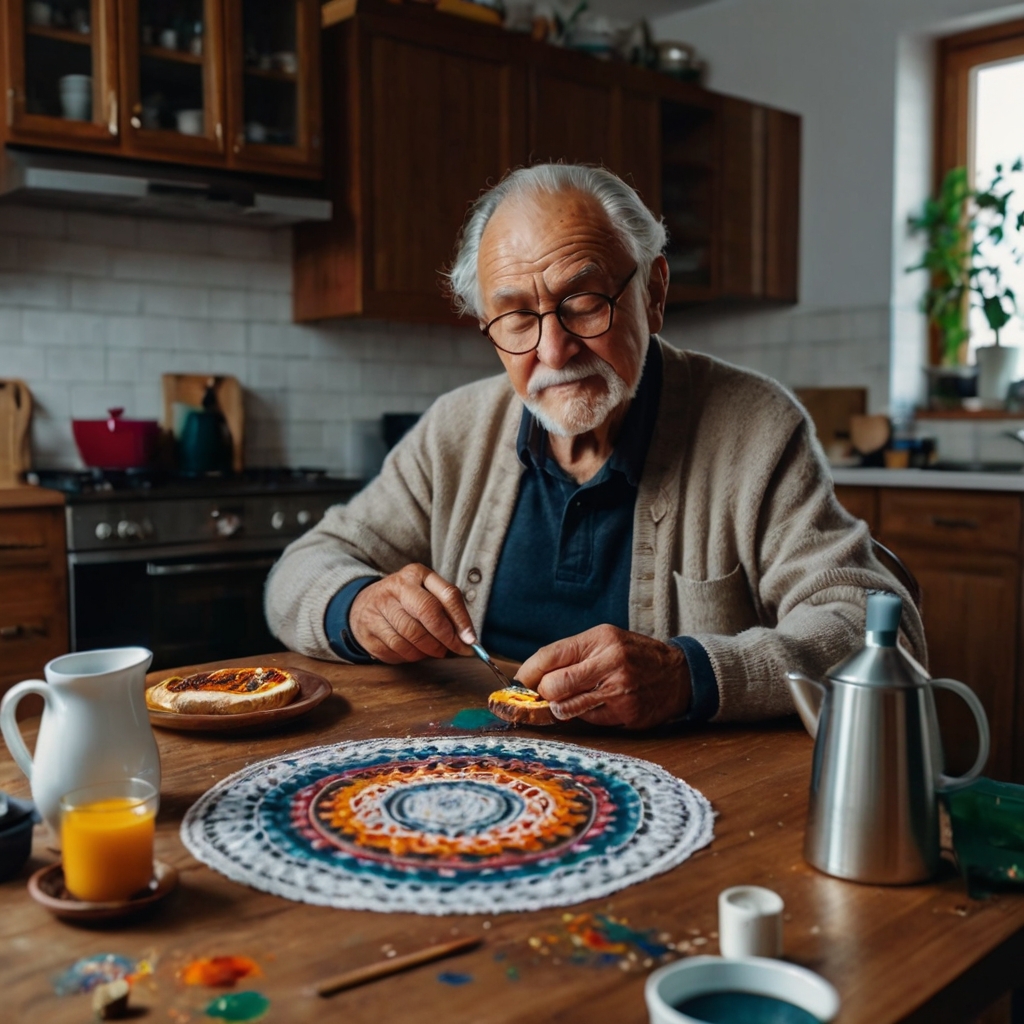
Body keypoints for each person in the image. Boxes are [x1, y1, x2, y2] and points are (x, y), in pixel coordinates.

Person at [265, 163, 925, 728]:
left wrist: (690, 674)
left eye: (583, 301)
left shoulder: (756, 426)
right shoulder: (456, 427)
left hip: (693, 792)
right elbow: (300, 571)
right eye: (518, 315)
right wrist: (359, 608)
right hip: (475, 767)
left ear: (654, 292)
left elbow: (866, 628)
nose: (554, 350)